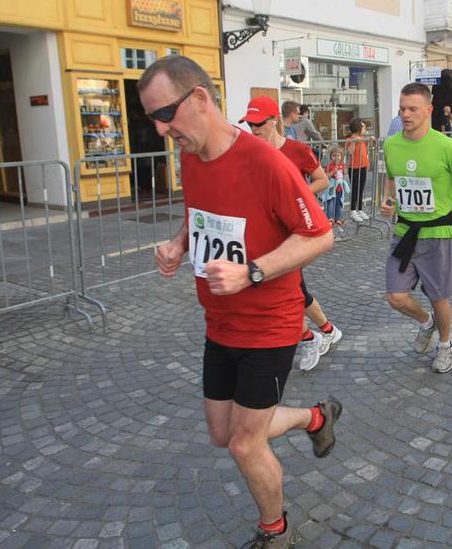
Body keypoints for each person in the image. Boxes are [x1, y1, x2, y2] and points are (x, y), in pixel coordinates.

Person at [141, 56, 341, 547]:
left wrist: (252, 271)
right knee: (221, 433)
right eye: (152, 119)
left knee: (245, 443)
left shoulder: (265, 162)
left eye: (165, 114)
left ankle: (276, 529)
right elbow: (200, 213)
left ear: (200, 98)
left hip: (270, 324)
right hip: (220, 323)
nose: (162, 129)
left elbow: (320, 235)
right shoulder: (191, 156)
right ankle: (315, 417)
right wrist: (178, 243)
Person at [380, 82, 452, 374]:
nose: (405, 114)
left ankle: (444, 344)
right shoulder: (391, 144)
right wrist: (387, 200)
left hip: (437, 234)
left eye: (412, 109)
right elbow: (392, 178)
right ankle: (425, 322)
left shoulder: (446, 146)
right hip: (404, 232)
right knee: (395, 296)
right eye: (402, 109)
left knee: (438, 297)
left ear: (428, 110)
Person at [244, 98, 344, 371]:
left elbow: (322, 180)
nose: (254, 129)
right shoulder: (250, 152)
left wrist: (296, 195)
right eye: (250, 124)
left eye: (259, 123)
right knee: (293, 289)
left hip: (294, 234)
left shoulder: (297, 150)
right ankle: (327, 330)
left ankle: (310, 337)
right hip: (264, 232)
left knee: (285, 291)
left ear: (274, 120)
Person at [345, 118, 371, 223]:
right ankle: (353, 210)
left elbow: (365, 151)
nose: (365, 130)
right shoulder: (350, 139)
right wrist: (354, 142)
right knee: (355, 190)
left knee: (361, 189)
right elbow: (350, 152)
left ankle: (359, 209)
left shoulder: (362, 138)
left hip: (363, 166)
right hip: (354, 168)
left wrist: (369, 139)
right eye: (364, 128)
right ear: (358, 128)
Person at [322, 146, 349, 226]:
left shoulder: (342, 165)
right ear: (331, 157)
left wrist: (345, 172)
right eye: (334, 155)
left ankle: (338, 218)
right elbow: (326, 176)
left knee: (339, 204)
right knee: (330, 204)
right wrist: (332, 173)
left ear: (341, 156)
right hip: (331, 189)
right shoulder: (329, 166)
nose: (336, 158)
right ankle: (329, 218)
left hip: (339, 189)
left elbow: (343, 173)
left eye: (338, 155)